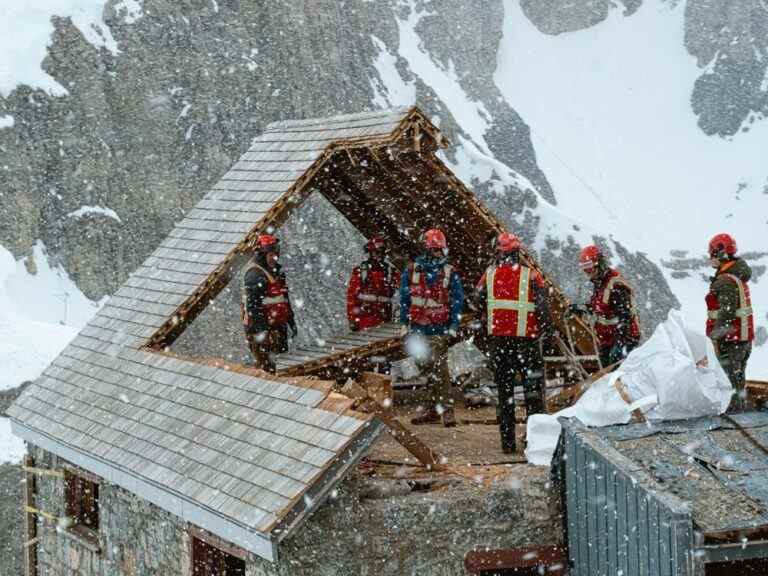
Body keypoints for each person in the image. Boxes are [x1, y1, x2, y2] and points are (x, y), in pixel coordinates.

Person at [473, 232, 552, 454]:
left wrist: (491, 321)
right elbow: (544, 311)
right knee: (533, 395)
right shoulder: (532, 277)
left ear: (499, 253)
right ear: (518, 253)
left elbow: (476, 300)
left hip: (500, 345)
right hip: (527, 344)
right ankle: (535, 442)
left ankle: (507, 443)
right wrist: (546, 332)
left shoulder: (489, 276)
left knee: (505, 394)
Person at [400, 228, 464, 427]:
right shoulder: (412, 271)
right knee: (426, 369)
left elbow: (457, 301)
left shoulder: (449, 272)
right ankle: (433, 409)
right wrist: (403, 324)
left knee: (440, 368)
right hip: (418, 330)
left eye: (440, 250)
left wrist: (453, 326)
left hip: (439, 330)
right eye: (436, 250)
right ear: (428, 250)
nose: (439, 254)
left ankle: (446, 409)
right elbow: (404, 299)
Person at [706, 233, 754, 412]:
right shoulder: (737, 276)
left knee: (730, 382)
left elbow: (726, 313)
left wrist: (715, 337)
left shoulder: (725, 281)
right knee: (738, 380)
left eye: (712, 253)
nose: (710, 258)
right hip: (741, 339)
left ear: (721, 253)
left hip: (731, 341)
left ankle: (734, 421)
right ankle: (739, 415)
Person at [570, 245, 641, 367]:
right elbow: (599, 307)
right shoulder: (600, 282)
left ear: (598, 264)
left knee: (615, 372)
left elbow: (625, 317)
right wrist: (582, 308)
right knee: (604, 371)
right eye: (584, 269)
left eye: (589, 268)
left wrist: (619, 344)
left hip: (624, 338)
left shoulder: (615, 285)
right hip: (608, 339)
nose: (587, 273)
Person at [241, 234, 297, 372]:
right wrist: (262, 332)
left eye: (275, 254)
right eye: (270, 254)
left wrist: (290, 320)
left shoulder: (277, 271)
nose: (274, 258)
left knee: (282, 363)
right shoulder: (255, 275)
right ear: (262, 255)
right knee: (267, 367)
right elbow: (253, 307)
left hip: (277, 326)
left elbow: (284, 298)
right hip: (261, 329)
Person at [347, 237, 399, 331]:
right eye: (376, 252)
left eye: (381, 252)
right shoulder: (361, 272)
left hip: (384, 318)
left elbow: (405, 290)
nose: (379, 255)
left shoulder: (391, 272)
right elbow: (352, 296)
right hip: (364, 318)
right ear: (370, 253)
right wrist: (352, 319)